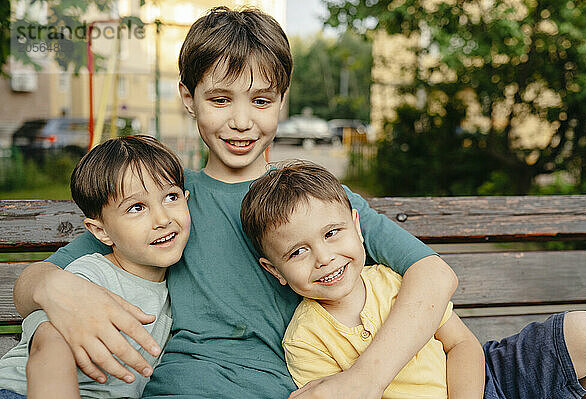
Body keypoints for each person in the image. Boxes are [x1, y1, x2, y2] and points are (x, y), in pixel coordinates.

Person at [12, 7, 458, 398]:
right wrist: (57, 289)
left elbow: (434, 273)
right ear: (188, 97)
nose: (241, 122)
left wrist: (366, 378)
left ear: (282, 100)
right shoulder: (165, 204)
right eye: (220, 99)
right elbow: (36, 279)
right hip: (180, 386)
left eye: (261, 100)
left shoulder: (319, 202)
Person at [240, 160, 586, 399]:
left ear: (356, 226)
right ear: (275, 271)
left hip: (484, 379)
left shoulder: (395, 282)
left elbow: (462, 345)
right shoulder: (306, 340)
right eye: (298, 252)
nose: (324, 258)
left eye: (332, 233)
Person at [0, 135, 191, 399]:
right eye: (137, 207)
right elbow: (50, 351)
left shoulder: (174, 287)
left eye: (171, 197)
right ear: (100, 232)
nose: (162, 219)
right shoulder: (91, 277)